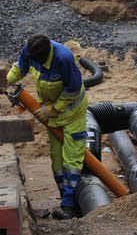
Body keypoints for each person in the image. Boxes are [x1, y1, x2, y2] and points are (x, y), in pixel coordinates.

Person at [7, 34, 88, 219]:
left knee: (72, 160)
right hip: (51, 114)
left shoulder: (63, 58)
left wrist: (52, 109)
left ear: (45, 56)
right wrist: (6, 80)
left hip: (71, 113)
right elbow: (20, 68)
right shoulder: (31, 50)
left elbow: (74, 90)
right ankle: (65, 199)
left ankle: (70, 206)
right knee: (57, 161)